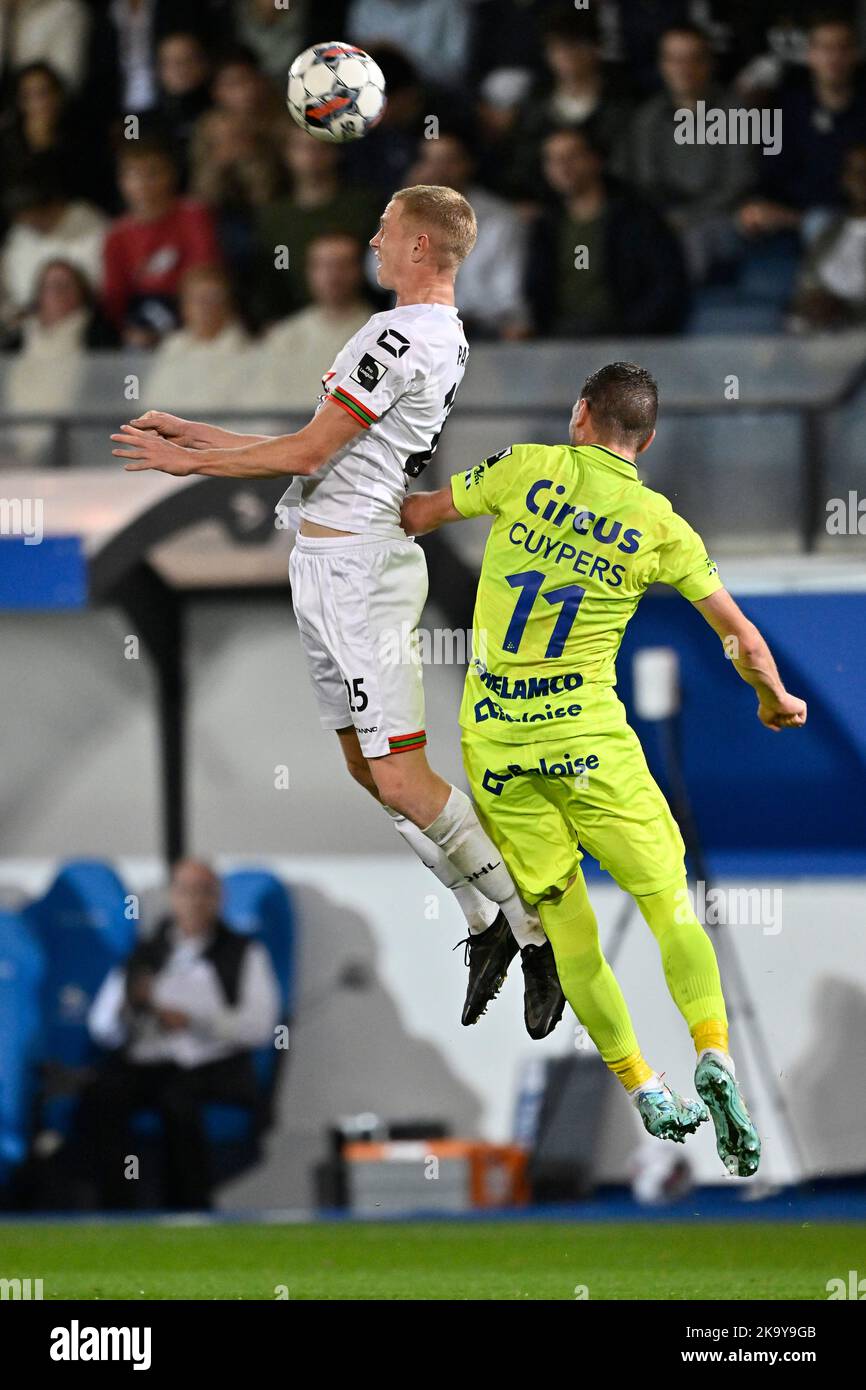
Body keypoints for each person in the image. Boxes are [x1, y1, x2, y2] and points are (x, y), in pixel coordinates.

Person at [111, 184, 566, 1040]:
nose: (374, 239)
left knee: (400, 773)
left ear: (422, 247)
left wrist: (189, 466)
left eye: (387, 229)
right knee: (369, 770)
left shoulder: (400, 334)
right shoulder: (433, 334)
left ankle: (536, 930)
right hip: (327, 562)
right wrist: (200, 436)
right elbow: (320, 448)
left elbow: (313, 450)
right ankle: (485, 923)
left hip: (360, 568)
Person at [400, 361, 808, 1171]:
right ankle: (713, 1053)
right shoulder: (660, 525)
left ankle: (642, 1085)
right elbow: (743, 638)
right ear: (646, 440)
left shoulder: (525, 468)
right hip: (590, 743)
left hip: (499, 745)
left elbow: (416, 515)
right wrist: (775, 700)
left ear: (580, 414)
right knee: (669, 907)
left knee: (572, 935)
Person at [84, 859, 280, 1209]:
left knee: (178, 1100)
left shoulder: (244, 951)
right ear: (172, 896)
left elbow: (260, 1026)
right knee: (103, 1096)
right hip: (149, 1062)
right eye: (186, 890)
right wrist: (131, 1006)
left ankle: (189, 1211)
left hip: (212, 1066)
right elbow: (101, 1026)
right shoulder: (144, 953)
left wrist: (194, 1020)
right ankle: (116, 1212)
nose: (195, 900)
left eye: (205, 891)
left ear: (219, 898)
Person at [621, 24, 755, 281]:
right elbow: (643, 183)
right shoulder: (647, 117)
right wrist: (664, 218)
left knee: (691, 239)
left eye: (693, 59)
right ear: (662, 65)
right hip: (662, 219)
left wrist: (685, 218)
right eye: (674, 60)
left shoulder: (737, 113)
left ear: (709, 64)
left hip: (719, 219)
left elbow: (737, 185)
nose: (683, 68)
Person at [527, 126, 689, 336]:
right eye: (552, 160)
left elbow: (667, 284)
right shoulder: (545, 225)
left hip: (624, 336)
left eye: (572, 156)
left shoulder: (637, 217)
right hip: (560, 338)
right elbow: (535, 290)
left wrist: (631, 331)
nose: (562, 167)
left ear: (596, 160)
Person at [405, 131, 530, 339]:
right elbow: (376, 273)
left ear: (467, 165)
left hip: (482, 328)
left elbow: (508, 293)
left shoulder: (500, 217)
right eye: (430, 161)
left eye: (448, 161)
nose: (438, 171)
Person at [102, 137, 221, 345]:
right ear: (122, 183)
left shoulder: (193, 215)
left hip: (190, 309)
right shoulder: (116, 236)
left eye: (153, 173)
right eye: (135, 175)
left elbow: (205, 268)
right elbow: (115, 299)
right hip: (143, 317)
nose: (144, 184)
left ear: (171, 176)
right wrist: (128, 330)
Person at [254, 234, 373, 409]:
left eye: (342, 265)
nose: (333, 276)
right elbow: (266, 407)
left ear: (359, 270)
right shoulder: (283, 337)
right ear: (310, 272)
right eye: (324, 266)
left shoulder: (382, 335)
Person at [789, 142, 866, 331]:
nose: (862, 179)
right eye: (855, 171)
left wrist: (843, 309)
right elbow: (805, 285)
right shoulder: (829, 230)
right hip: (820, 334)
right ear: (844, 179)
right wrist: (812, 302)